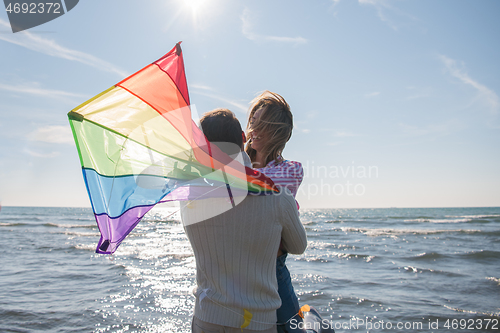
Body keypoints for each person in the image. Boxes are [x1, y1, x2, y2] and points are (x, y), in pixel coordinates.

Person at [181, 108, 307, 332]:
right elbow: (298, 247)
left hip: (206, 317)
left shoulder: (188, 195)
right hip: (257, 322)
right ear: (242, 137)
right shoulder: (278, 197)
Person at [245, 91, 305, 332]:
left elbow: (266, 188)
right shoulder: (239, 165)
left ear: (278, 132)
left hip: (273, 266)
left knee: (290, 326)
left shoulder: (290, 170)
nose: (254, 129)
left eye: (262, 124)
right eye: (253, 122)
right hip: (243, 264)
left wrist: (233, 170)